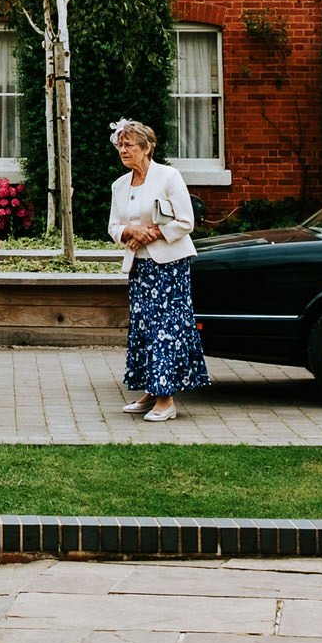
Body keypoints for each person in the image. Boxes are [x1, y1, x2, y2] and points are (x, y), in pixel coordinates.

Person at [108, 119, 208, 422]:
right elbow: (113, 226)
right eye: (120, 145)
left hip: (170, 266)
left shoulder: (168, 177)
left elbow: (186, 221)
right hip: (140, 267)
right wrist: (129, 232)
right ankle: (151, 391)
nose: (123, 150)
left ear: (147, 147)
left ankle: (167, 399)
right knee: (144, 329)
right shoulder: (120, 185)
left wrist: (156, 233)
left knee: (166, 330)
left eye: (129, 145)